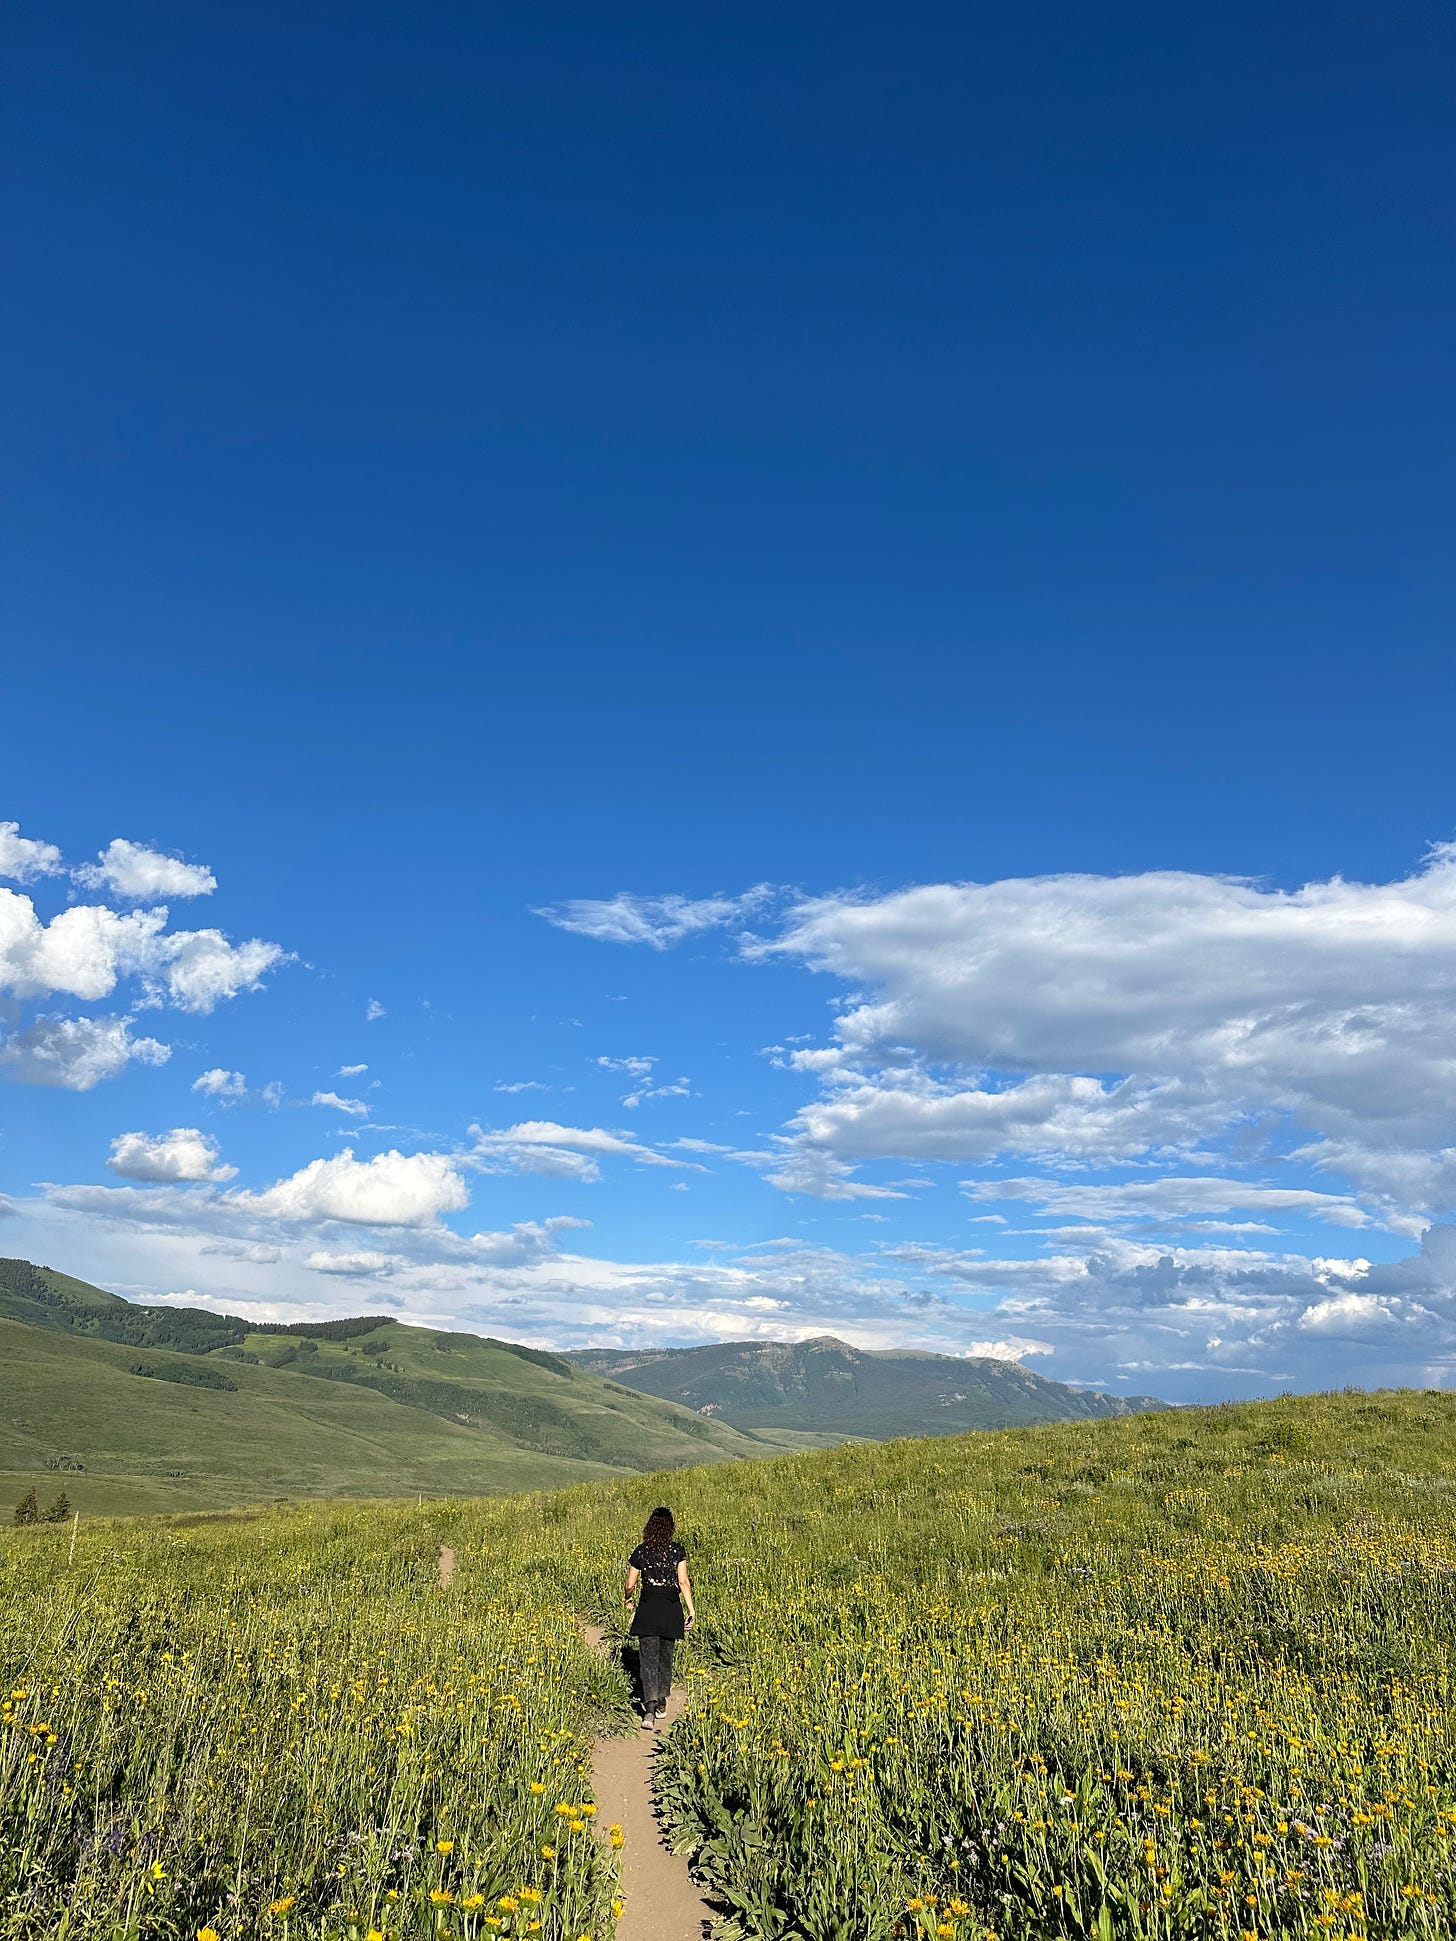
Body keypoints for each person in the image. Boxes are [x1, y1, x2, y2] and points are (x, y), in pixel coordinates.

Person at [624, 1505, 695, 1728]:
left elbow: (630, 1583)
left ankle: (649, 1710)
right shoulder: (677, 1551)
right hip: (671, 1608)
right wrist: (691, 1610)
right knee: (666, 1657)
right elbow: (683, 1581)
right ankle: (662, 1700)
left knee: (648, 1659)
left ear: (649, 1527)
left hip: (648, 1608)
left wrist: (628, 1598)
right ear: (670, 1527)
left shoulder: (641, 1551)